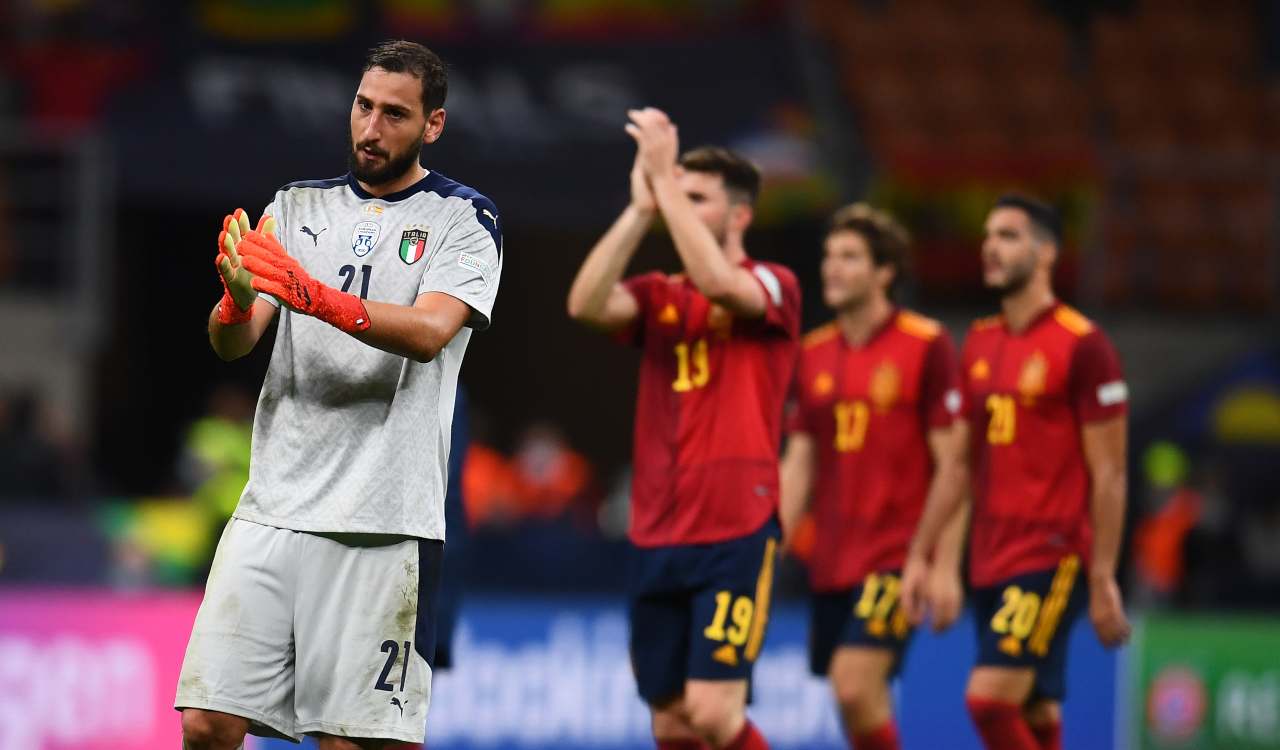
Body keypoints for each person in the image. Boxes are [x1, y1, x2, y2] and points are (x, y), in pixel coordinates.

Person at [175, 39, 503, 750]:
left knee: (350, 742)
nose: (371, 128)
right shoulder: (293, 208)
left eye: (394, 113)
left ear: (432, 125)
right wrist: (234, 304)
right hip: (274, 508)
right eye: (363, 107)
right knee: (206, 722)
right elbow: (235, 341)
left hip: (382, 520)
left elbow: (428, 331)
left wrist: (315, 297)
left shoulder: (464, 220)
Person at [567, 108, 800, 750]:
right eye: (680, 194)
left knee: (714, 713)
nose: (682, 207)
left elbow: (721, 282)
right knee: (670, 722)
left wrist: (665, 179)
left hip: (735, 529)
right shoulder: (659, 294)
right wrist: (640, 209)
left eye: (699, 198)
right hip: (656, 530)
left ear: (740, 215)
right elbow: (584, 303)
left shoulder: (772, 284)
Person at [901, 195, 1130, 750]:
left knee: (988, 698)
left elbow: (1111, 473)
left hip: (1050, 552)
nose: (990, 248)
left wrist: (1101, 576)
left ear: (1046, 252)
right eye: (987, 236)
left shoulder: (1083, 344)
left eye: (1007, 236)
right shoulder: (979, 341)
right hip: (989, 555)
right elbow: (957, 465)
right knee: (1035, 707)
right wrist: (923, 555)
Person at [779, 203, 968, 750]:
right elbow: (800, 464)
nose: (832, 268)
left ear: (885, 272)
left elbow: (954, 465)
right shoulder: (811, 353)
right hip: (833, 559)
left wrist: (945, 564)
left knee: (854, 685)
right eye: (829, 256)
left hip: (896, 555)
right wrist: (771, 549)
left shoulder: (925, 345)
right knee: (859, 700)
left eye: (850, 257)